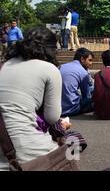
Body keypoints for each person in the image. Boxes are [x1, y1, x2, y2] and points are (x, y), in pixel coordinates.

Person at [0, 27, 65, 170]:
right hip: (27, 151)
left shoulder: (3, 65)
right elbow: (52, 117)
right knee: (70, 149)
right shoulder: (49, 69)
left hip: (3, 148)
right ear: (51, 48)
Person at [60, 48, 94, 117]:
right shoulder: (83, 73)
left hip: (58, 108)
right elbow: (86, 96)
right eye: (89, 60)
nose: (91, 63)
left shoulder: (61, 66)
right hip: (72, 109)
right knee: (96, 102)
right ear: (82, 59)